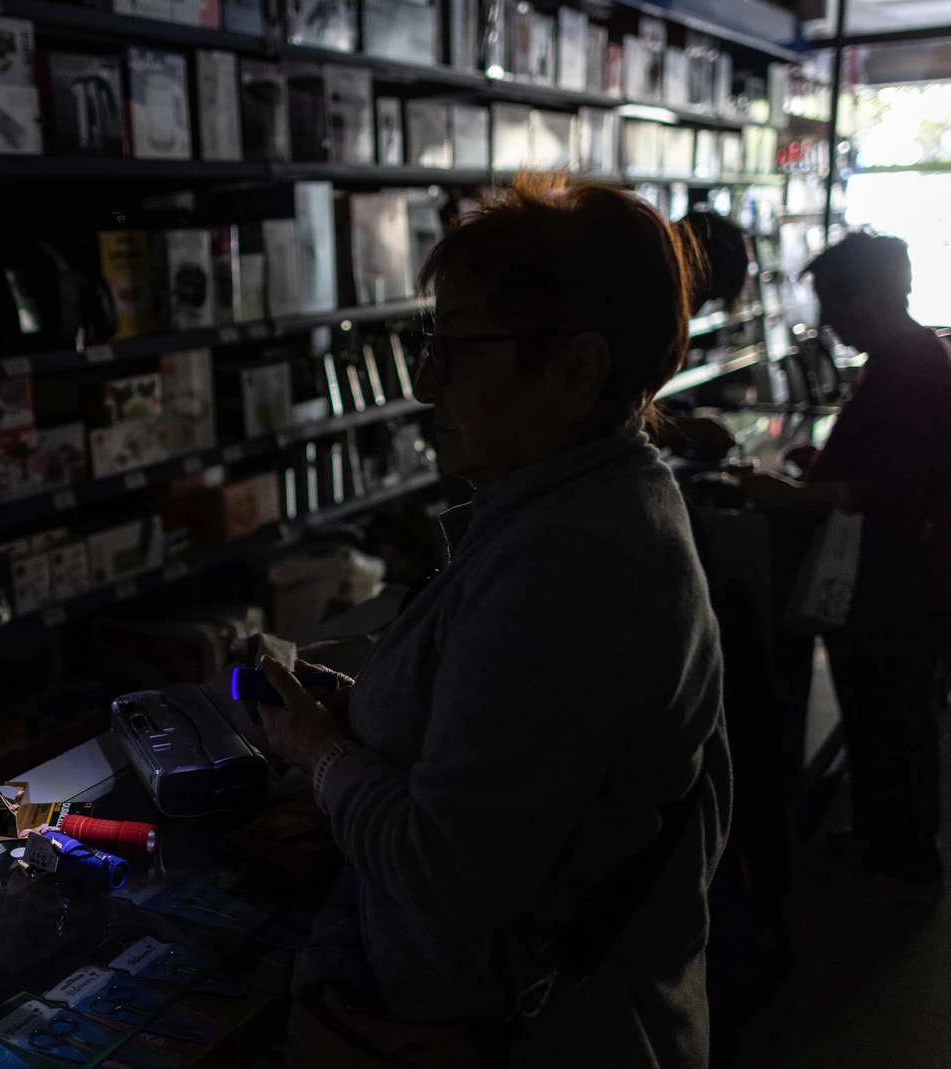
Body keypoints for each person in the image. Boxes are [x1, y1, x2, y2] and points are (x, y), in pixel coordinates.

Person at [255, 175, 732, 1067]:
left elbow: (448, 873)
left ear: (577, 370)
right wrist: (369, 708)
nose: (428, 382)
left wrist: (320, 755)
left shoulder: (576, 561)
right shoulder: (566, 508)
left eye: (458, 348)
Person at [741, 233, 951, 900]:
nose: (828, 323)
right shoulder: (920, 354)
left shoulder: (905, 368)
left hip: (899, 577)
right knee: (884, 718)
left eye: (833, 305)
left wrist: (788, 495)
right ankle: (885, 837)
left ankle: (905, 861)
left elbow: (884, 495)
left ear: (866, 297)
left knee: (892, 718)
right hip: (913, 571)